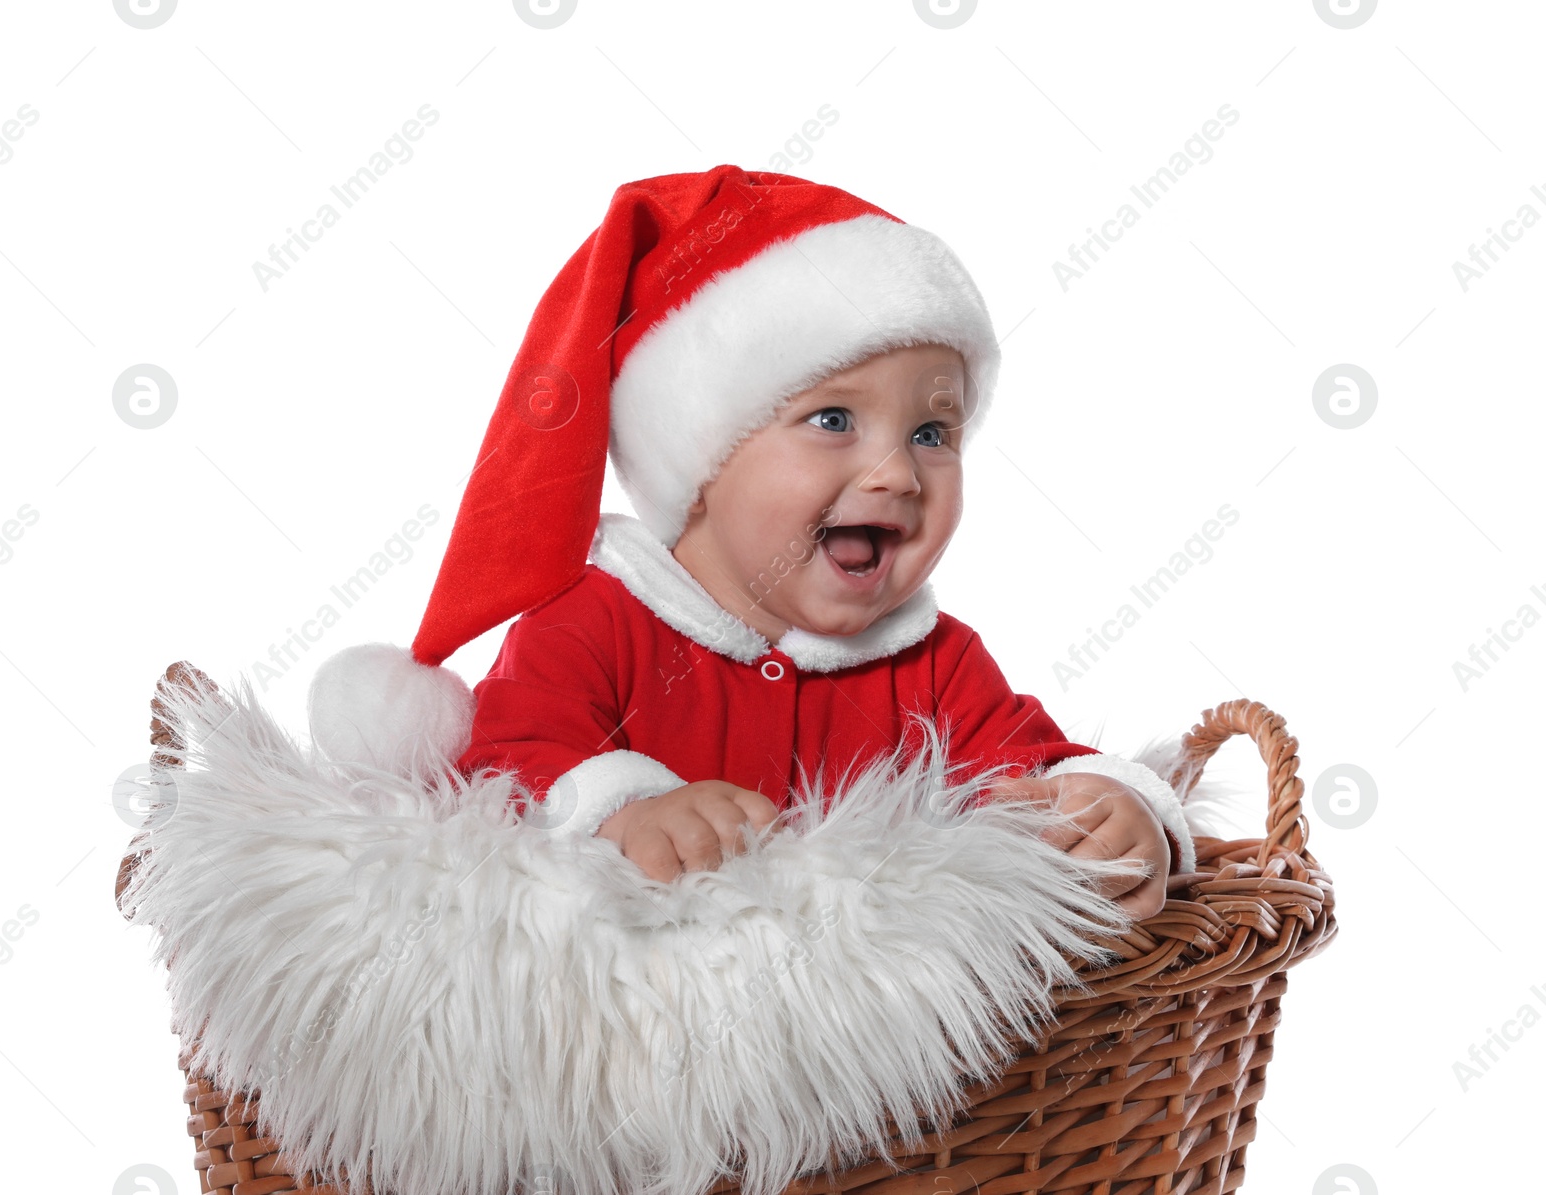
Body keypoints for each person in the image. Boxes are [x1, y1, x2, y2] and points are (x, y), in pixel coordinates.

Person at [308, 165, 1195, 920]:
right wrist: (625, 809)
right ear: (705, 458)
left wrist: (1112, 810)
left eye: (933, 432)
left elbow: (1026, 772)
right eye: (834, 418)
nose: (896, 473)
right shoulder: (592, 623)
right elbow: (500, 769)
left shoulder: (935, 666)